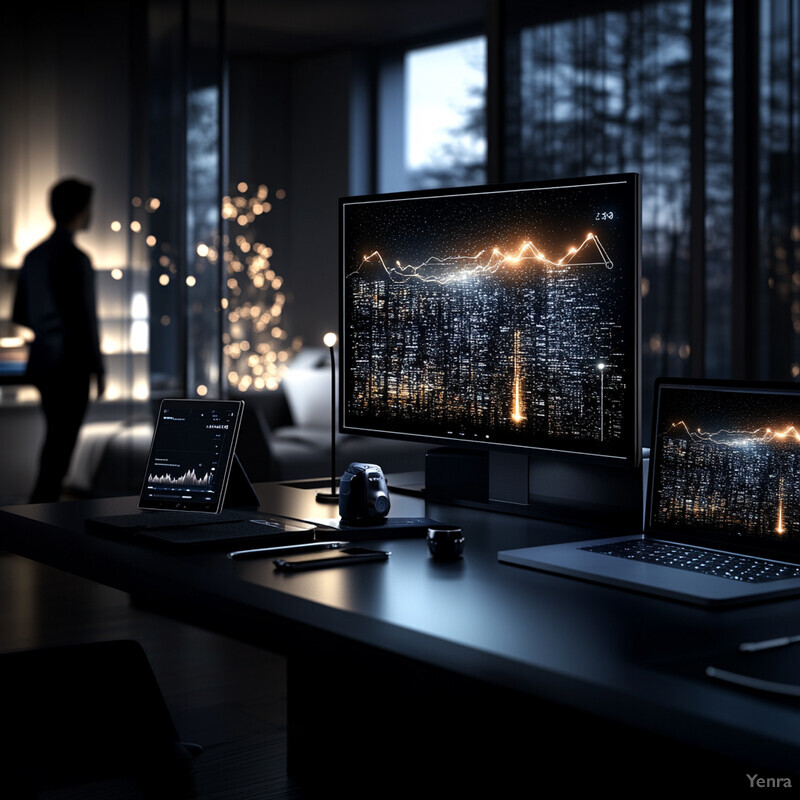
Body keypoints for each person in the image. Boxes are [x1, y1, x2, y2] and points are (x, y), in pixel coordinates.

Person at [13, 178, 105, 503]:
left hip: (43, 364)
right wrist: (99, 368)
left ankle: (38, 515)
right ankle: (41, 517)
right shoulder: (77, 259)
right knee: (60, 450)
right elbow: (86, 322)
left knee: (54, 445)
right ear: (80, 210)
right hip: (72, 367)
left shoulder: (34, 256)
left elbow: (21, 314)